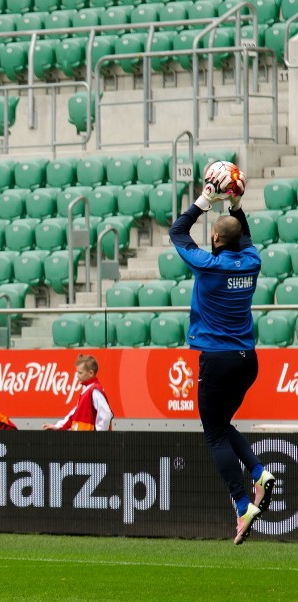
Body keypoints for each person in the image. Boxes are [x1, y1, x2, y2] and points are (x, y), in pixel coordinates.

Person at [168, 161, 275, 545]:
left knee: (213, 434)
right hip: (248, 359)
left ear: (214, 238)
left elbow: (178, 232)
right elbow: (242, 236)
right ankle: (260, 472)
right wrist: (236, 204)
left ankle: (242, 503)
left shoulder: (208, 266)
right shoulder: (252, 261)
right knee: (223, 424)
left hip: (216, 359)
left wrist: (205, 198)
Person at [42, 354, 113, 431]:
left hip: (92, 441)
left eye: (80, 373)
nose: (77, 376)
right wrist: (58, 426)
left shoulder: (94, 391)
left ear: (90, 373)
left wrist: (99, 437)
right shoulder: (87, 390)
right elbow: (74, 414)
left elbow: (106, 415)